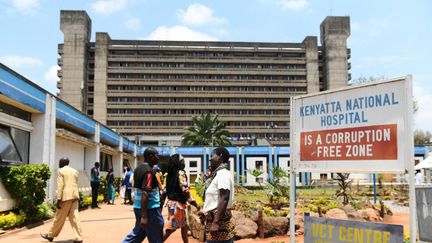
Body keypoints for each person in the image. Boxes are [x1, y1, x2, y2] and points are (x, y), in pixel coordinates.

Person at [122, 147, 164, 243]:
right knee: (156, 237)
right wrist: (144, 217)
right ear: (150, 156)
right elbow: (145, 192)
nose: (158, 157)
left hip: (138, 207)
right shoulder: (148, 172)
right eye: (157, 155)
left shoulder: (138, 169)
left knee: (137, 235)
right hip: (150, 210)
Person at [41, 157, 83, 243]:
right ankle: (79, 237)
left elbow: (60, 186)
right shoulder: (75, 171)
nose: (59, 164)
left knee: (59, 217)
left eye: (60, 162)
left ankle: (50, 235)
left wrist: (59, 199)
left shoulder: (60, 171)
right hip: (75, 196)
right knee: (75, 217)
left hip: (66, 197)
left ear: (62, 163)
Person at [200, 147, 235, 243]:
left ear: (220, 156)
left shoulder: (223, 174)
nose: (210, 159)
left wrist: (216, 223)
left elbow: (224, 198)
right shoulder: (217, 174)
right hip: (215, 220)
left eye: (212, 156)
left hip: (220, 221)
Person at [164, 154, 199, 243]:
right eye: (183, 161)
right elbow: (185, 190)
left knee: (184, 226)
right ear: (178, 163)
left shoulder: (169, 175)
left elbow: (166, 190)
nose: (184, 163)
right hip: (178, 205)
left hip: (172, 203)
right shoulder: (180, 173)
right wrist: (194, 203)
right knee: (171, 228)